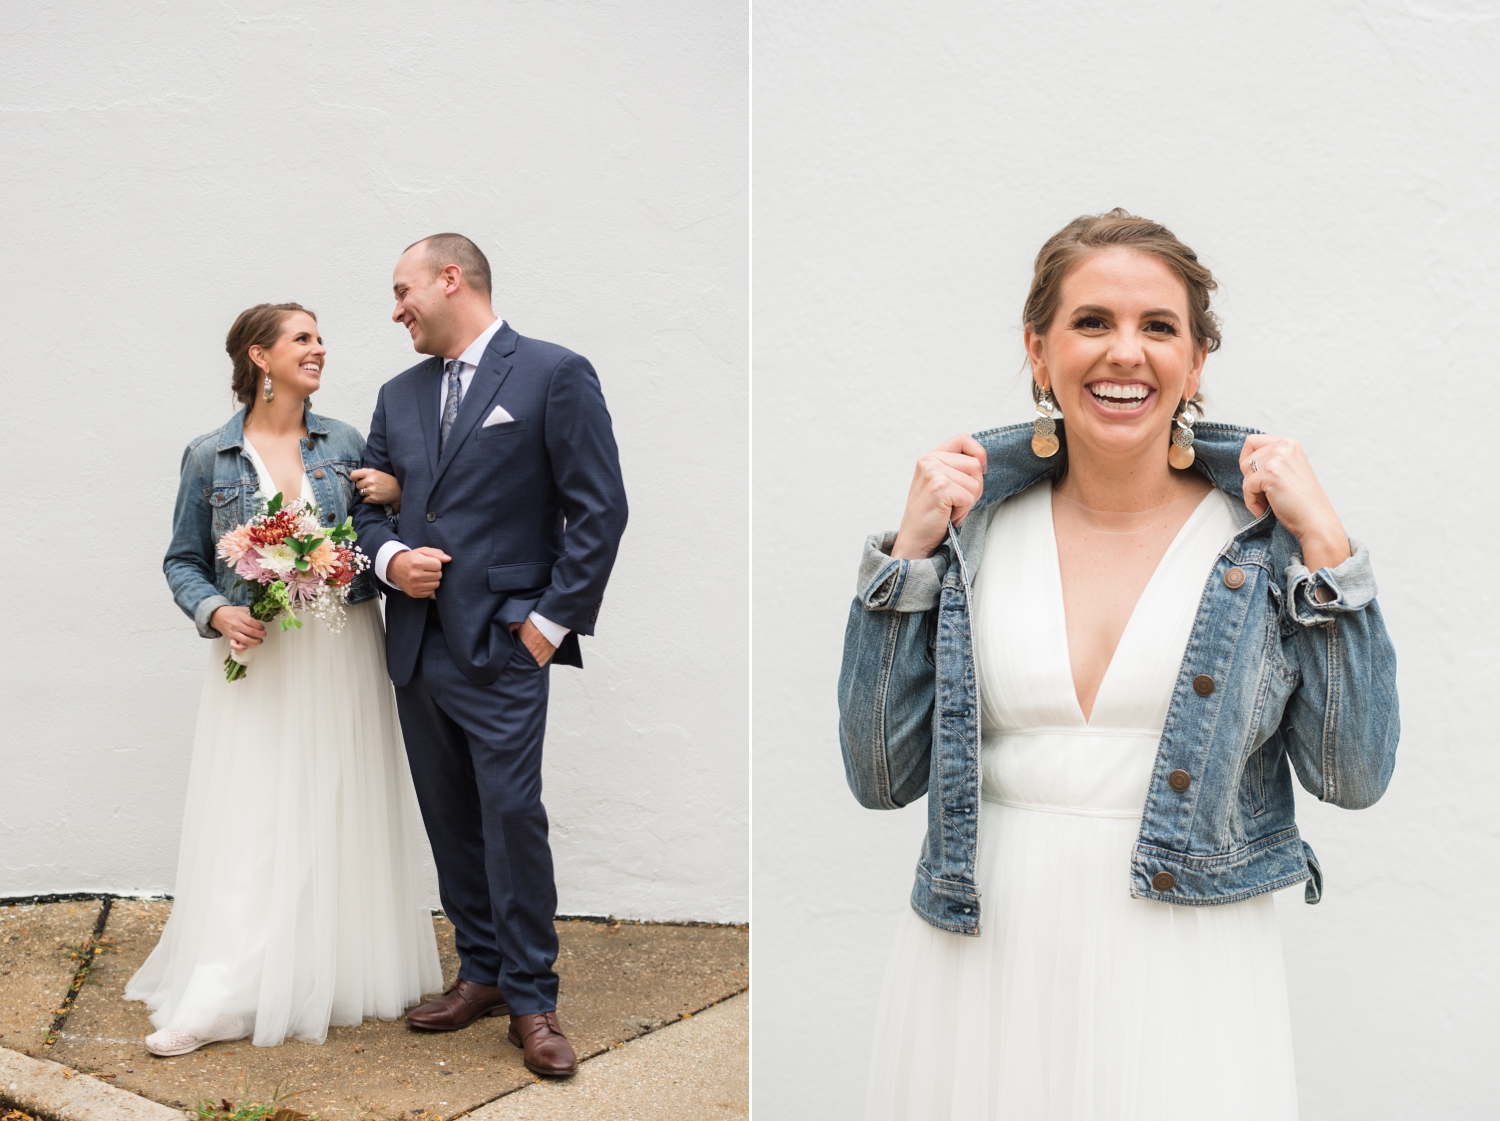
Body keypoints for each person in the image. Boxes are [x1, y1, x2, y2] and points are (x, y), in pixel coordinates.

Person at [837, 210, 1400, 1120]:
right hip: (980, 946)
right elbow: (879, 774)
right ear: (1039, 348)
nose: (1124, 353)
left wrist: (1327, 546)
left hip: (1189, 964)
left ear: (1198, 360)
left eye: (1159, 327)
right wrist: (906, 558)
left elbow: (1354, 773)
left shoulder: (1262, 547)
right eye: (1091, 322)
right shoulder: (968, 534)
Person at [130, 302, 442, 1056]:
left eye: (320, 338)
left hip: (341, 647)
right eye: (302, 338)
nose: (319, 349)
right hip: (263, 655)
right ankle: (225, 987)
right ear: (259, 357)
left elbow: (378, 532)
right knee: (257, 811)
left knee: (334, 798)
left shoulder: (345, 443)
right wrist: (215, 614)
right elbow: (182, 559)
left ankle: (324, 969)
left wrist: (397, 500)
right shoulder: (210, 455)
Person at [352, 234, 628, 1078]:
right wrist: (393, 561)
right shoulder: (397, 395)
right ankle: (479, 972)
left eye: (403, 289)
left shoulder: (552, 372)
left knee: (512, 817)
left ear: (450, 278)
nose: (394, 308)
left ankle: (533, 998)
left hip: (505, 647)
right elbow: (369, 505)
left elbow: (601, 508)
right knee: (450, 818)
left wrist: (548, 624)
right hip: (416, 647)